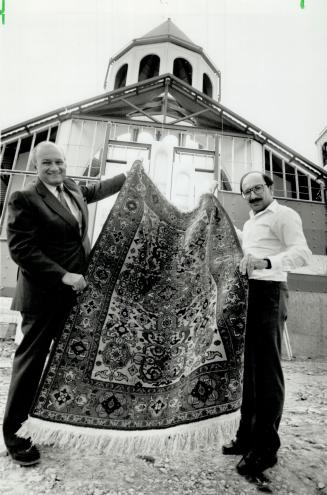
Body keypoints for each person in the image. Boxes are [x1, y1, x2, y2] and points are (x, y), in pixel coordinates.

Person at [3, 141, 126, 466]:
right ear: (36, 167)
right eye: (47, 164)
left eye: (59, 162)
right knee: (30, 363)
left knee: (66, 361)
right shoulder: (25, 199)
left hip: (73, 296)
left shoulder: (70, 187)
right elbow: (21, 250)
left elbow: (95, 190)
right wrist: (64, 276)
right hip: (44, 295)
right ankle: (14, 433)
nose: (55, 168)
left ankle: (43, 421)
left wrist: (129, 177)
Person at [221, 171, 311, 477]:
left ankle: (266, 449)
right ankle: (247, 436)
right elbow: (246, 245)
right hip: (250, 295)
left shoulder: (285, 215)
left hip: (271, 292)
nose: (252, 195)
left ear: (269, 187)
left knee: (268, 372)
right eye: (246, 192)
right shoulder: (251, 222)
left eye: (258, 188)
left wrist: (266, 262)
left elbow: (302, 254)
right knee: (250, 371)